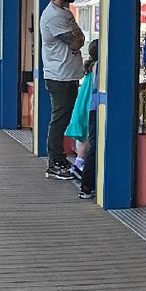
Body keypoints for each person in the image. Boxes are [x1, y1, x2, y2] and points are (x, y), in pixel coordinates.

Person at [40, 0, 85, 180]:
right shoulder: (53, 17)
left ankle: (59, 158)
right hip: (59, 76)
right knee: (59, 119)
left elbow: (81, 37)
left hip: (69, 74)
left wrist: (78, 37)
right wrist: (77, 37)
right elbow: (76, 43)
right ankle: (54, 162)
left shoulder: (65, 13)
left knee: (66, 117)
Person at [65, 39, 99, 200]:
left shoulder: (91, 68)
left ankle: (80, 168)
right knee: (92, 144)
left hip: (90, 108)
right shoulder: (99, 68)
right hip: (94, 109)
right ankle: (86, 184)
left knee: (89, 142)